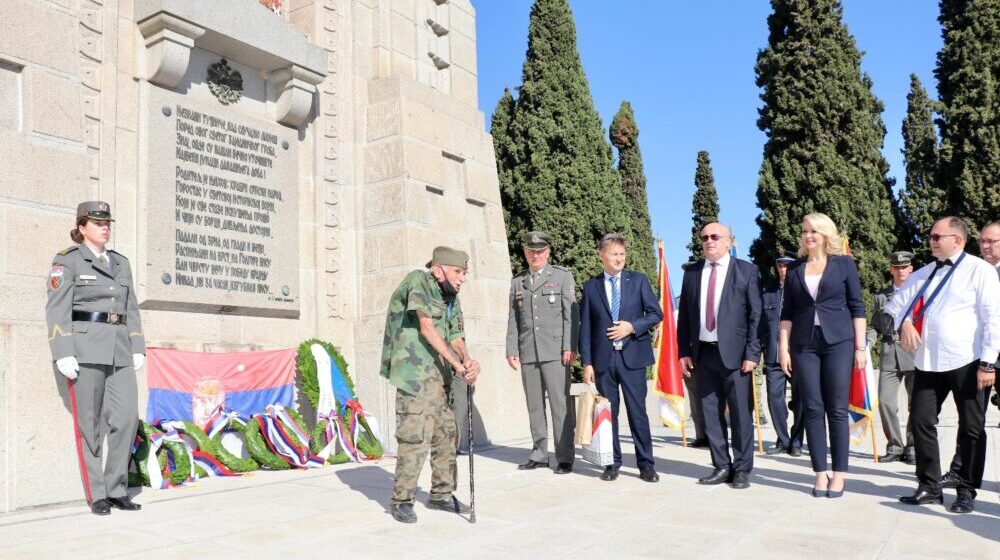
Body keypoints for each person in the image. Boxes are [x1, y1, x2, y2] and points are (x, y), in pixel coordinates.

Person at [889, 217, 998, 514]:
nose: (932, 241)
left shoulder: (981, 271)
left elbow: (993, 318)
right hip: (928, 360)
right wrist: (906, 322)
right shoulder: (923, 273)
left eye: (938, 236)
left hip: (969, 360)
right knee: (921, 421)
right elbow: (895, 306)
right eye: (931, 236)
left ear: (958, 240)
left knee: (972, 428)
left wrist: (988, 362)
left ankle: (966, 489)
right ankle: (929, 486)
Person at [46, 201, 146, 516]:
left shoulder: (120, 263)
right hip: (85, 350)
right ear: (82, 227)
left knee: (128, 417)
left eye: (107, 223)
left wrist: (137, 345)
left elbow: (131, 308)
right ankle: (98, 493)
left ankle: (117, 488)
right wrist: (63, 351)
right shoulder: (68, 261)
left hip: (119, 349)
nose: (105, 227)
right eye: (97, 222)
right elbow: (57, 308)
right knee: (89, 424)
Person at [380, 246, 480, 523]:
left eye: (465, 273)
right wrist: (458, 365)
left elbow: (457, 336)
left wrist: (468, 361)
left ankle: (441, 495)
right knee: (415, 437)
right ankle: (402, 499)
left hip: (442, 378)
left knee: (446, 435)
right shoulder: (418, 281)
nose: (462, 278)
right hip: (415, 376)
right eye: (458, 272)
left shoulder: (452, 298)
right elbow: (427, 327)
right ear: (439, 270)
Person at [778, 213, 867, 498]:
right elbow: (787, 313)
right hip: (804, 345)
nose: (808, 236)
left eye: (813, 231)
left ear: (825, 234)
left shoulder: (843, 264)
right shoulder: (795, 270)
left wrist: (861, 347)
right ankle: (819, 473)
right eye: (804, 231)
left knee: (837, 409)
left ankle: (839, 473)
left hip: (839, 343)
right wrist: (783, 346)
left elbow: (857, 307)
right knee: (813, 408)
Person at [677, 223, 762, 489]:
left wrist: (752, 353)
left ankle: (742, 467)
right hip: (703, 353)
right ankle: (721, 465)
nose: (709, 241)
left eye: (715, 237)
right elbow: (685, 320)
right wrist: (683, 352)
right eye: (704, 238)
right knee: (710, 413)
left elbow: (755, 316)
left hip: (737, 357)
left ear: (729, 241)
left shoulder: (746, 271)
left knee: (740, 413)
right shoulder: (692, 274)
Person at [580, 233, 663, 482]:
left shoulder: (637, 281)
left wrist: (632, 327)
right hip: (604, 361)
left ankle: (646, 464)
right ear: (601, 256)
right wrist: (587, 363)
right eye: (614, 254)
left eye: (622, 254)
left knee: (638, 413)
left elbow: (655, 313)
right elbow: (586, 327)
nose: (619, 259)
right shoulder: (591, 286)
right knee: (608, 415)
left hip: (633, 358)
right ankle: (611, 463)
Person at [506, 231, 578, 474]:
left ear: (548, 252)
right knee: (534, 406)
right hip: (529, 352)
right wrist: (512, 348)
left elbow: (571, 315)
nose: (535, 255)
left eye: (540, 251)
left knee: (560, 406)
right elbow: (514, 319)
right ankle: (539, 454)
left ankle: (565, 456)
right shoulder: (517, 281)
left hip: (556, 351)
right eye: (530, 251)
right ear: (525, 253)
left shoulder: (561, 277)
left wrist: (570, 345)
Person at [939, 221, 1000, 487]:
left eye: (992, 241)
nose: (985, 246)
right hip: (978, 357)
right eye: (983, 241)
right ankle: (960, 472)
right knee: (971, 419)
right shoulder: (972, 271)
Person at [868, 251, 918, 464]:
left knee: (916, 404)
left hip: (915, 351)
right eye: (896, 267)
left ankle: (914, 448)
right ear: (891, 269)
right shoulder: (881, 296)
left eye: (904, 267)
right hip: (889, 351)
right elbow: (874, 325)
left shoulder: (920, 292)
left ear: (911, 269)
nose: (900, 270)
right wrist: (866, 343)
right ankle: (895, 446)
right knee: (886, 402)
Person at [759, 251, 804, 456]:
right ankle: (782, 439)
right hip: (774, 357)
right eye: (780, 266)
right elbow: (759, 327)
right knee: (775, 400)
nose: (783, 270)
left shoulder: (804, 293)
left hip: (799, 357)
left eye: (787, 266)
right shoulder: (767, 294)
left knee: (801, 401)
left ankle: (796, 441)